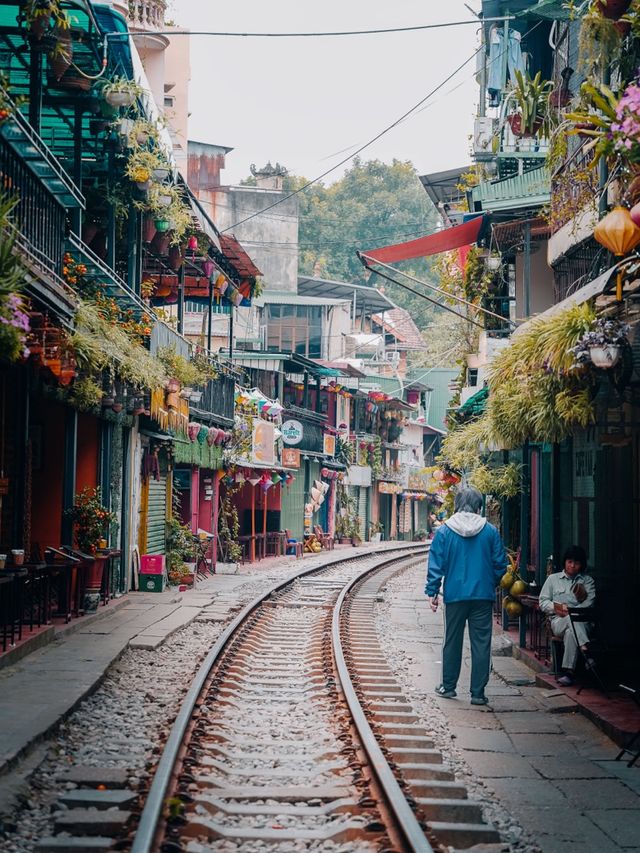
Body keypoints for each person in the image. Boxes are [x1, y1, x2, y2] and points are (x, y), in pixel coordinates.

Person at [425, 486, 507, 706]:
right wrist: (491, 583)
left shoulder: (444, 531)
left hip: (455, 596)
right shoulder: (490, 531)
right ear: (479, 507)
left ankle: (448, 687)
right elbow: (500, 564)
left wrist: (433, 591)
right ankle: (478, 693)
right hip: (482, 596)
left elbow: (436, 564)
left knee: (452, 641)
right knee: (481, 644)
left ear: (457, 505)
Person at [538, 545, 595, 686]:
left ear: (581, 564)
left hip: (582, 622)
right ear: (565, 562)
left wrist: (572, 612)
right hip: (558, 622)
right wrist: (557, 608)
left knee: (571, 631)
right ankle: (586, 652)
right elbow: (543, 602)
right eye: (570, 562)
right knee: (569, 618)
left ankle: (569, 673)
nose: (572, 566)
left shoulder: (587, 581)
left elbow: (589, 604)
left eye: (576, 563)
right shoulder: (553, 579)